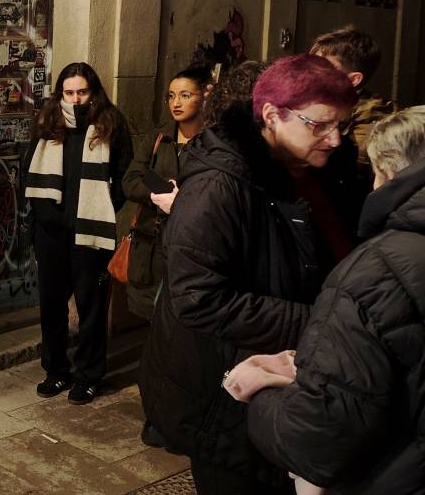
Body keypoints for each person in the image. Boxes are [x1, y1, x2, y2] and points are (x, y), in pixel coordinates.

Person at [138, 54, 356, 494]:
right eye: (320, 125)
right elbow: (199, 297)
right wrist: (316, 322)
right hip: (222, 397)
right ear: (273, 116)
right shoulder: (219, 187)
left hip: (271, 384)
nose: (334, 139)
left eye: (342, 126)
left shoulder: (302, 170)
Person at [244, 106, 425, 494]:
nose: (334, 139)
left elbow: (316, 436)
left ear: (389, 172)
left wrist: (258, 397)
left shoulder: (373, 273)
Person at [25, 62, 133, 405]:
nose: (75, 99)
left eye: (82, 92)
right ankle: (56, 371)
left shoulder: (110, 123)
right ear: (61, 94)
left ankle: (88, 376)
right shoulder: (47, 122)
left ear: (93, 91)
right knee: (52, 307)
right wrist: (43, 217)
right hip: (51, 232)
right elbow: (27, 170)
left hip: (90, 232)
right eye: (69, 92)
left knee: (91, 308)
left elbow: (124, 175)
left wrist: (101, 210)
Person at [121, 66, 212, 320]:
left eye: (185, 95)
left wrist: (181, 200)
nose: (176, 103)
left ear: (204, 96)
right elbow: (130, 181)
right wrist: (156, 194)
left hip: (189, 246)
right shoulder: (159, 137)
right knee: (150, 319)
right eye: (171, 96)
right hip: (151, 245)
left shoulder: (212, 142)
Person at [308, 25, 398, 177]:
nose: (310, 71)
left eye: (323, 66)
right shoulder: (312, 99)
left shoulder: (374, 115)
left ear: (354, 79)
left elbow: (350, 168)